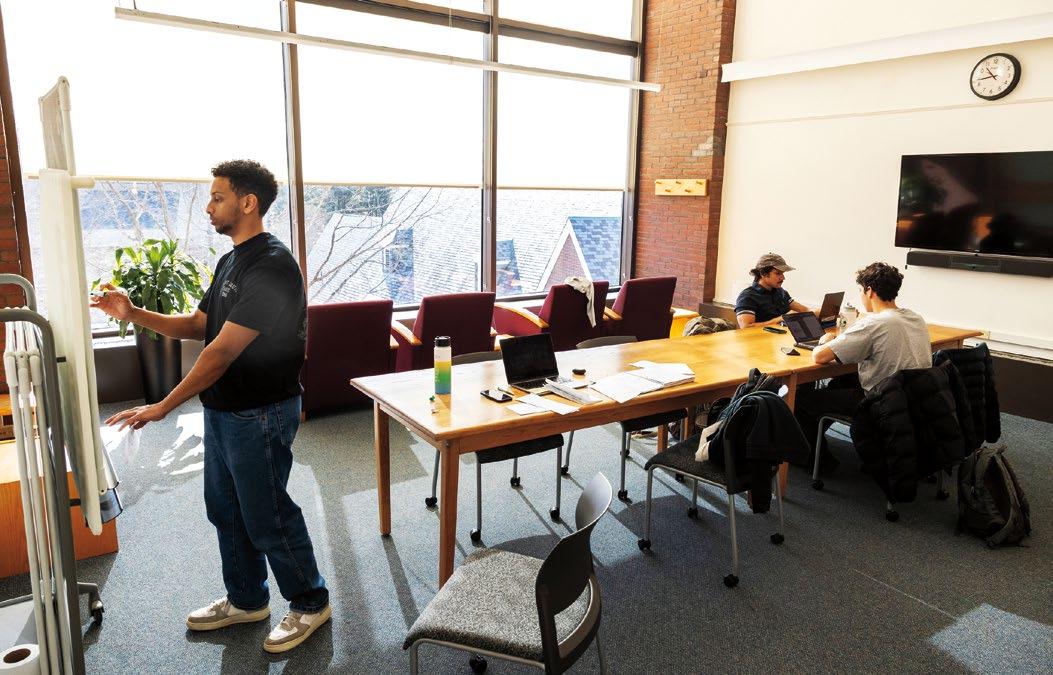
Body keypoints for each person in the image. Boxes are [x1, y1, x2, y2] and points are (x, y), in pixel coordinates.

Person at [91, 160, 329, 654]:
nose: (208, 207)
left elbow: (220, 352)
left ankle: (311, 601)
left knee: (267, 514)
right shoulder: (231, 261)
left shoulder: (273, 266)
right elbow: (200, 325)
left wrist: (162, 406)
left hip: (261, 411)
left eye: (218, 197)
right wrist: (133, 313)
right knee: (225, 509)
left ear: (248, 203)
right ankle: (247, 599)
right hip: (224, 409)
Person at [794, 262, 932, 453]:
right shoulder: (915, 317)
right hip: (915, 398)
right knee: (840, 383)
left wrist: (825, 340)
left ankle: (813, 459)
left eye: (860, 290)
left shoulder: (874, 323)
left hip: (881, 403)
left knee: (801, 400)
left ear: (869, 291)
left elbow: (820, 356)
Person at [734, 252, 813, 328]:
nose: (783, 278)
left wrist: (820, 313)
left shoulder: (781, 293)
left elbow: (806, 310)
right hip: (761, 337)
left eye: (783, 273)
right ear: (763, 274)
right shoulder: (747, 297)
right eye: (778, 273)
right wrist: (781, 319)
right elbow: (746, 327)